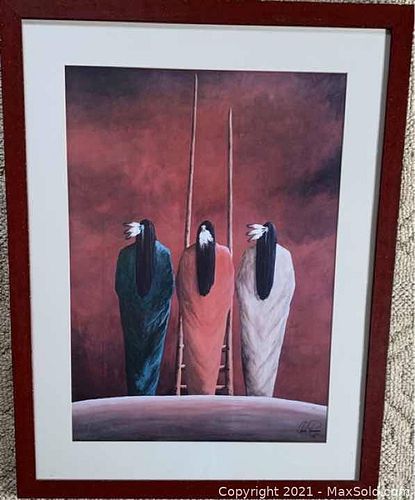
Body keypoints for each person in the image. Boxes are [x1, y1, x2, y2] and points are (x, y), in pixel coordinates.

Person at [115, 219, 174, 396]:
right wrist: (155, 310)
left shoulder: (125, 254)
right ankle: (148, 396)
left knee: (135, 357)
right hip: (156, 317)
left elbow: (120, 287)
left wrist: (134, 307)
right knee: (152, 357)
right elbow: (168, 288)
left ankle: (136, 395)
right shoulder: (164, 253)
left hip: (133, 316)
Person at [236, 222, 295, 397]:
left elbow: (240, 284)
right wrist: (278, 309)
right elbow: (289, 288)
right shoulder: (285, 256)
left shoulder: (248, 254)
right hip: (274, 318)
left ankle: (253, 395)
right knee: (269, 356)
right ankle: (266, 396)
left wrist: (248, 309)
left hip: (251, 318)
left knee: (252, 355)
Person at [177, 221, 234, 395]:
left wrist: (191, 310)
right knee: (210, 355)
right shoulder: (225, 254)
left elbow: (181, 290)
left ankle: (196, 392)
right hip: (215, 320)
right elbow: (228, 291)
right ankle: (207, 391)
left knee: (195, 353)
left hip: (194, 318)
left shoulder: (188, 255)